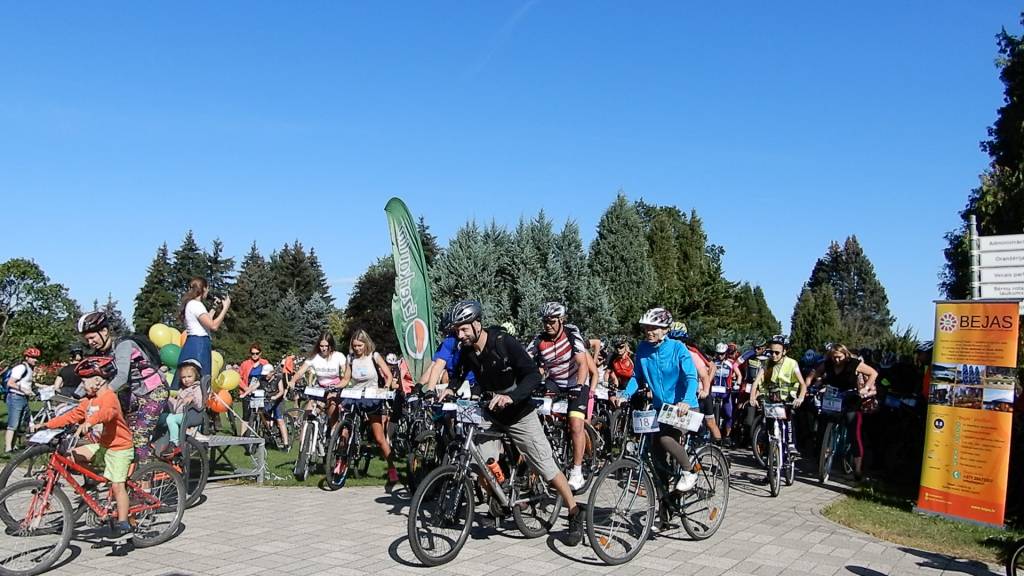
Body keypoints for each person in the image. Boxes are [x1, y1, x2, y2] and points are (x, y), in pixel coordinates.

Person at [449, 300, 585, 545]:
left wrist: (511, 396)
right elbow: (458, 376)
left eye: (465, 329)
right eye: (457, 330)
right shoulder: (467, 351)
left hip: (519, 413)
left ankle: (575, 511)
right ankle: (499, 496)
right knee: (480, 459)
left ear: (477, 324)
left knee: (545, 466)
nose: (461, 334)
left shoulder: (503, 342)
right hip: (491, 414)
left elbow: (532, 375)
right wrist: (447, 390)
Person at [38, 356, 134, 538]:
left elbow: (108, 413)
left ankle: (123, 522)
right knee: (72, 456)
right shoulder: (89, 401)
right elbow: (71, 416)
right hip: (102, 446)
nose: (82, 385)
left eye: (84, 381)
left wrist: (89, 422)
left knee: (117, 486)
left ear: (97, 380)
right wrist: (46, 425)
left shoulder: (110, 397)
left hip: (120, 448)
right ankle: (94, 482)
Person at [613, 308, 701, 493]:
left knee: (666, 439)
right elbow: (637, 377)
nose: (649, 332)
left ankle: (689, 471)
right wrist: (625, 395)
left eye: (654, 328)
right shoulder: (643, 349)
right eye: (646, 328)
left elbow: (692, 377)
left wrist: (685, 400)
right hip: (662, 408)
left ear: (665, 330)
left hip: (684, 407)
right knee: (656, 455)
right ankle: (664, 513)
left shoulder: (678, 348)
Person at [77, 311, 168, 463]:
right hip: (131, 393)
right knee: (116, 433)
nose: (90, 342)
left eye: (92, 338)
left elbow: (121, 377)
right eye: (87, 340)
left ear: (104, 331)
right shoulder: (101, 353)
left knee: (139, 438)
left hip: (153, 391)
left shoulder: (123, 345)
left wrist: (101, 396)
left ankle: (145, 483)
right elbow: (89, 378)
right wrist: (76, 397)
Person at [804, 344, 878, 481]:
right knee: (822, 425)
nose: (837, 360)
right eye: (834, 358)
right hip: (833, 398)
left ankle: (857, 468)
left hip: (851, 398)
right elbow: (814, 373)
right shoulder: (827, 364)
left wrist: (866, 388)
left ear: (845, 354)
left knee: (854, 430)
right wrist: (807, 385)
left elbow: (873, 373)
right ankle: (822, 456)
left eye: (839, 357)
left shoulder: (854, 364)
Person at [340, 329, 397, 483]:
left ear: (366, 344)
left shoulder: (374, 356)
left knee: (379, 437)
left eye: (360, 346)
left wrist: (386, 386)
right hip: (355, 395)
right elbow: (346, 378)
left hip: (372, 396)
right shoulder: (350, 358)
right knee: (344, 430)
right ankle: (340, 460)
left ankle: (392, 468)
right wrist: (336, 387)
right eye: (355, 346)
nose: (357, 349)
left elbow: (388, 375)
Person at [749, 335, 807, 478]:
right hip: (771, 401)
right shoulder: (766, 364)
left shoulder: (792, 364)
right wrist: (752, 396)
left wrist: (800, 397)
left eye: (777, 353)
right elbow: (756, 383)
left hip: (787, 400)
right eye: (771, 352)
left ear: (784, 351)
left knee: (788, 420)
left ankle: (791, 445)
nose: (773, 355)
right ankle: (770, 471)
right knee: (770, 436)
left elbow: (803, 384)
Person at [175, 277, 230, 397]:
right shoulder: (196, 305)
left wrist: (214, 308)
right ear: (204, 288)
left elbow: (205, 321)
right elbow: (213, 326)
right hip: (199, 344)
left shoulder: (191, 305)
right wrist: (225, 308)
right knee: (201, 381)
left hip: (193, 342)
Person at [5, 347, 41, 452]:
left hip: (23, 398)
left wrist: (44, 386)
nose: (35, 360)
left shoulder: (29, 369)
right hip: (15, 397)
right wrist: (24, 390)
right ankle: (8, 448)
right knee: (13, 423)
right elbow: (10, 383)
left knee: (20, 423)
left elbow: (29, 383)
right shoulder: (21, 368)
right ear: (27, 357)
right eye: (33, 357)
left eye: (36, 358)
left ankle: (13, 445)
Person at [166, 359, 205, 447]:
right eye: (183, 377)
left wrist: (193, 398)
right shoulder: (182, 390)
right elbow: (178, 405)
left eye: (189, 376)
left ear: (196, 376)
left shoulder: (197, 388)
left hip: (192, 416)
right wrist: (169, 398)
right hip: (182, 415)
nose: (186, 380)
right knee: (168, 417)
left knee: (171, 418)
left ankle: (174, 442)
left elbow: (200, 403)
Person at [710, 342, 744, 443]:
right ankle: (709, 433)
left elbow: (739, 375)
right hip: (714, 390)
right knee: (708, 411)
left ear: (726, 353)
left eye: (722, 354)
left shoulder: (730, 363)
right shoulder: (712, 363)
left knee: (729, 414)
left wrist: (737, 384)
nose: (720, 356)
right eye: (718, 354)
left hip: (726, 391)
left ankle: (727, 435)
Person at [238, 342, 270, 437]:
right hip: (247, 392)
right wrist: (245, 388)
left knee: (262, 413)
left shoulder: (265, 363)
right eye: (252, 353)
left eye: (256, 353)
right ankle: (243, 437)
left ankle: (264, 433)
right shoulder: (245, 364)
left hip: (261, 392)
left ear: (260, 353)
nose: (254, 355)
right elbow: (238, 378)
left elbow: (269, 375)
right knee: (246, 415)